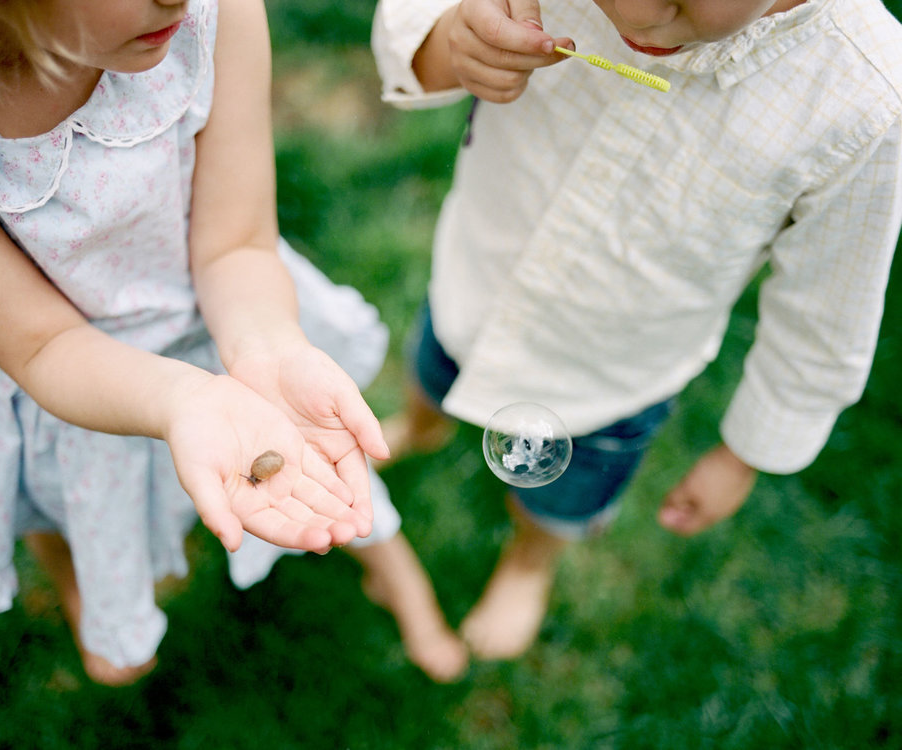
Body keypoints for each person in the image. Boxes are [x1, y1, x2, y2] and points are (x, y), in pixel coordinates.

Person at [0, 0, 466, 685]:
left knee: (327, 469)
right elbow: (40, 344)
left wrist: (272, 351)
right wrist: (181, 401)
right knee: (52, 496)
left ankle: (392, 571)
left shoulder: (214, 13)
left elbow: (236, 244)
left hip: (222, 317)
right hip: (70, 374)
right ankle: (85, 586)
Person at [371, 0, 902, 660]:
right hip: (475, 286)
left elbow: (827, 311)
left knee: (559, 502)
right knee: (430, 370)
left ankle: (528, 566)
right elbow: (413, 20)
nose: (634, 9)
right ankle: (423, 427)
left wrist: (747, 453)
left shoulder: (867, 99)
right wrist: (451, 40)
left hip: (612, 384)